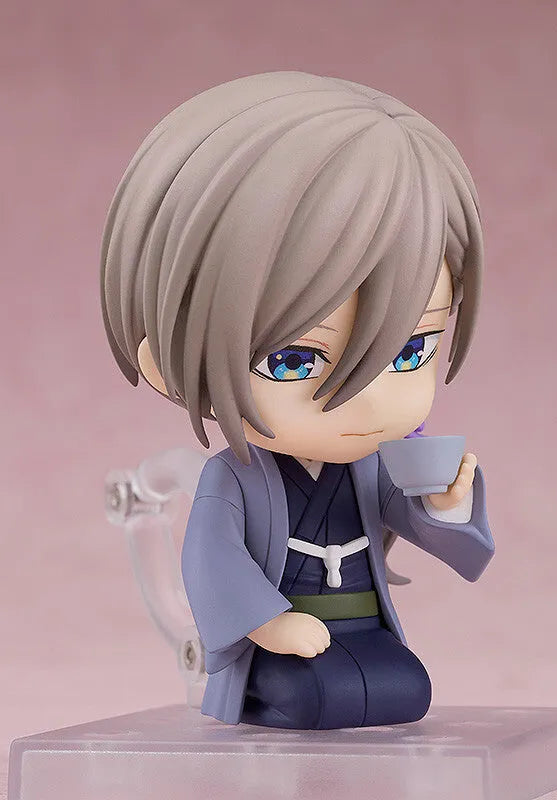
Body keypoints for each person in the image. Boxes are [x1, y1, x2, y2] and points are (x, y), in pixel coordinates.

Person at [100, 71, 495, 728]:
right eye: (293, 360)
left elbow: (410, 514)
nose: (367, 401)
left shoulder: (367, 466)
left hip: (364, 629)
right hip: (278, 645)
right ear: (168, 361)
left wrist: (445, 505)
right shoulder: (233, 478)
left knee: (405, 690)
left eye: (409, 351)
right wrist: (269, 624)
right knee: (319, 697)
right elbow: (212, 560)